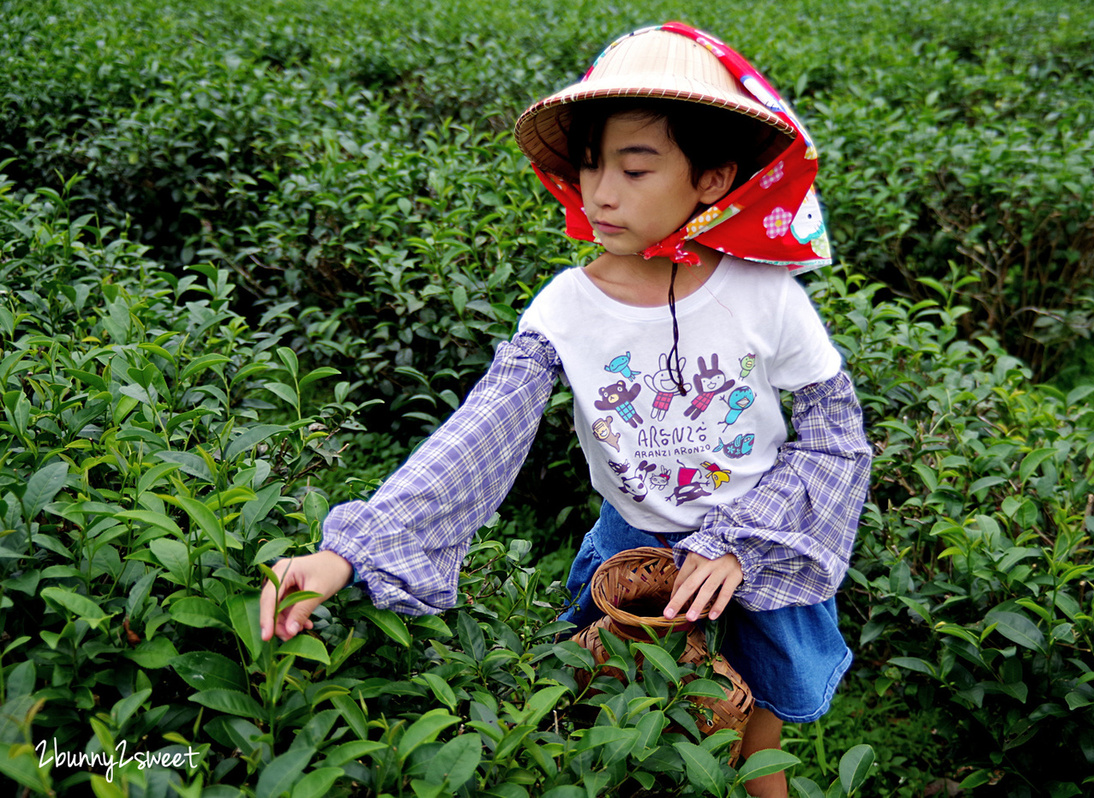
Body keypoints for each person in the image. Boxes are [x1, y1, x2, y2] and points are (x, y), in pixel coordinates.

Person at [259, 22, 871, 798]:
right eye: (589, 166)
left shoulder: (766, 297)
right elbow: (480, 434)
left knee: (757, 734)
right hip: (632, 543)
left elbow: (835, 438)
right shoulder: (566, 309)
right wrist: (347, 551)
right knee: (618, 721)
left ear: (712, 179)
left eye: (636, 167)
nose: (602, 193)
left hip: (757, 540)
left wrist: (742, 545)